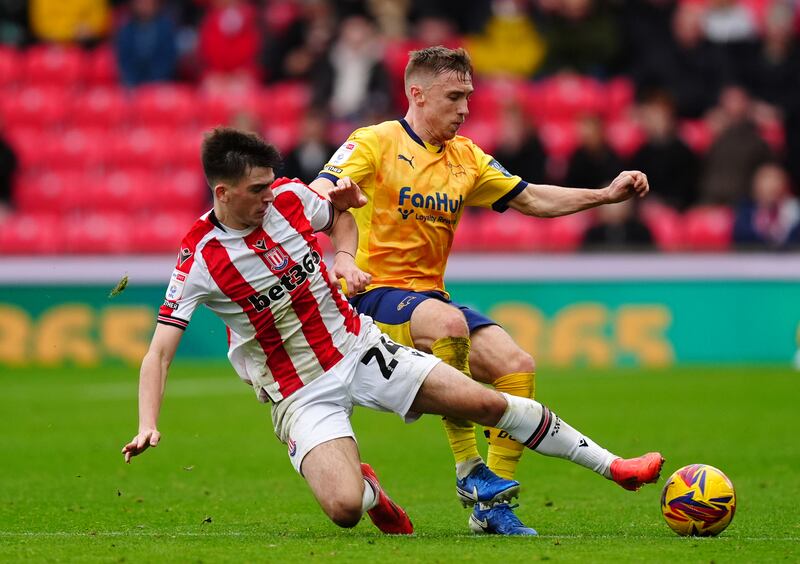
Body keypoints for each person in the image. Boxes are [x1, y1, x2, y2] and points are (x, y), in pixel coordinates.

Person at [121, 127, 664, 536]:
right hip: (299, 392)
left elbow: (338, 213)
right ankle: (371, 491)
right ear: (223, 192)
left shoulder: (287, 198)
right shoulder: (200, 259)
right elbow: (159, 354)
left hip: (359, 347)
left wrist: (342, 257)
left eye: (269, 184)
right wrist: (148, 423)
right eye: (256, 189)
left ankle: (615, 467)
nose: (269, 196)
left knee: (485, 401)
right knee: (342, 509)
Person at [309, 46, 650, 535]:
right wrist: (333, 204)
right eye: (454, 97)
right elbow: (320, 189)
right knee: (448, 324)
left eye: (468, 96)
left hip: (428, 297)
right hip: (368, 295)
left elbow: (530, 197)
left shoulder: (466, 157)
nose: (465, 109)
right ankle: (469, 469)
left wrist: (604, 195)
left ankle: (491, 508)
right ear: (417, 94)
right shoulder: (373, 142)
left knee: (516, 364)